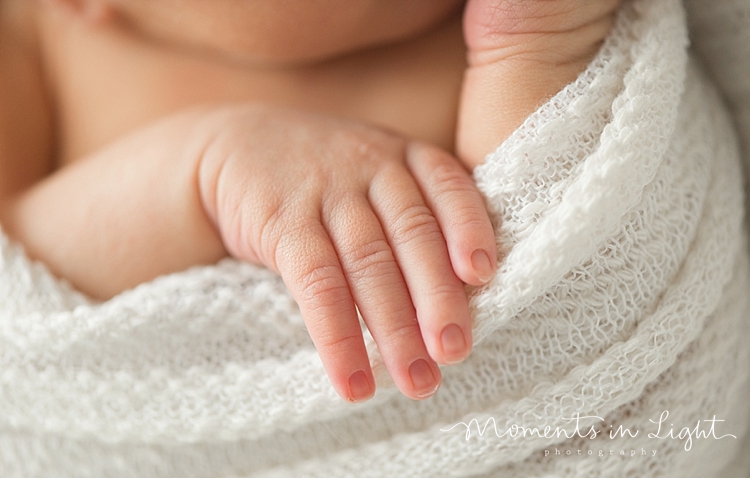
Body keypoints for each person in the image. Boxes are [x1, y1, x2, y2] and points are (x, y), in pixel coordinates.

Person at [0, 0, 620, 403]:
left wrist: (533, 54)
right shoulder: (34, 40)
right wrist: (200, 171)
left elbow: (553, 289)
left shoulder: (470, 27)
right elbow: (14, 285)